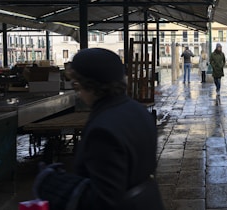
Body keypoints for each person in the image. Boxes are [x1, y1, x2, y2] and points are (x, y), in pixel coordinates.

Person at [33, 48, 164, 210]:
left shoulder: (102, 131)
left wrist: (56, 186)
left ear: (90, 85)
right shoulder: (138, 110)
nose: (78, 92)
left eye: (77, 85)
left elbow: (104, 200)